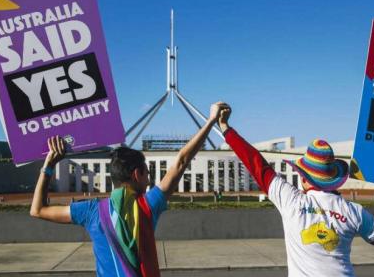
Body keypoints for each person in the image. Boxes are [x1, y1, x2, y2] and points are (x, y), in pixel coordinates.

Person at [30, 102, 228, 277]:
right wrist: (211, 121)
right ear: (136, 174)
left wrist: (48, 165)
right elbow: (182, 161)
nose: (149, 179)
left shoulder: (91, 211)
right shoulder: (149, 205)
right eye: (147, 172)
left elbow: (37, 210)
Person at [216, 104, 374, 277]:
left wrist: (225, 128)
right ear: (334, 179)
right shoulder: (354, 211)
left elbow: (256, 163)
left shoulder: (290, 200)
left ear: (303, 177)